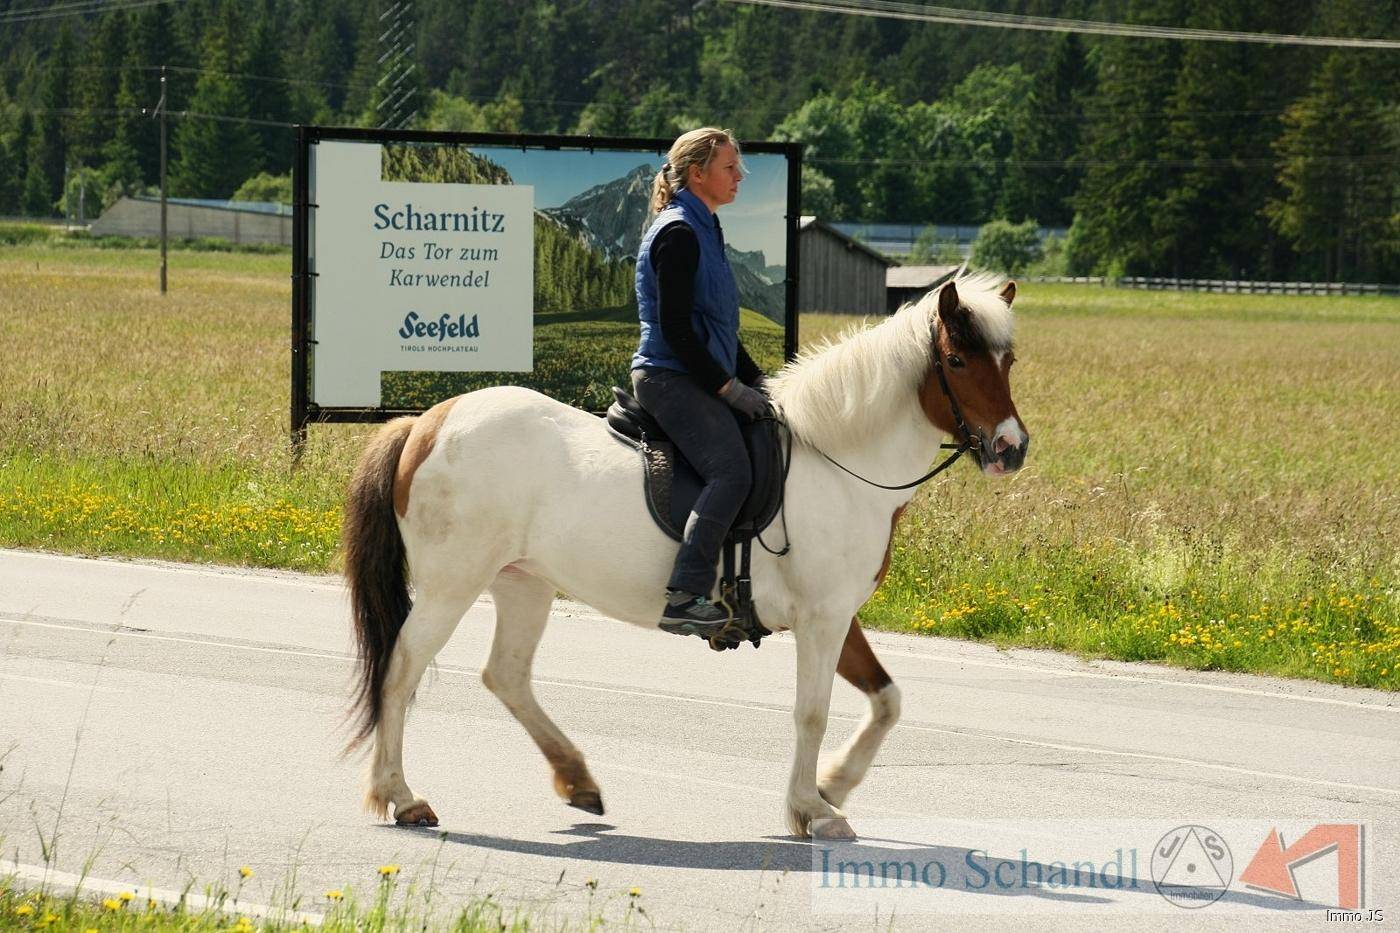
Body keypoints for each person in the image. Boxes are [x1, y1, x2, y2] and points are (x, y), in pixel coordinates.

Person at [631, 127, 769, 637]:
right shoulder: (680, 233)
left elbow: (716, 327)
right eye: (731, 168)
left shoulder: (705, 226)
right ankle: (686, 594)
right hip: (669, 375)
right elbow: (678, 332)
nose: (740, 177)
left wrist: (759, 380)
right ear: (698, 173)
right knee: (731, 471)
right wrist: (728, 389)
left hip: (693, 371)